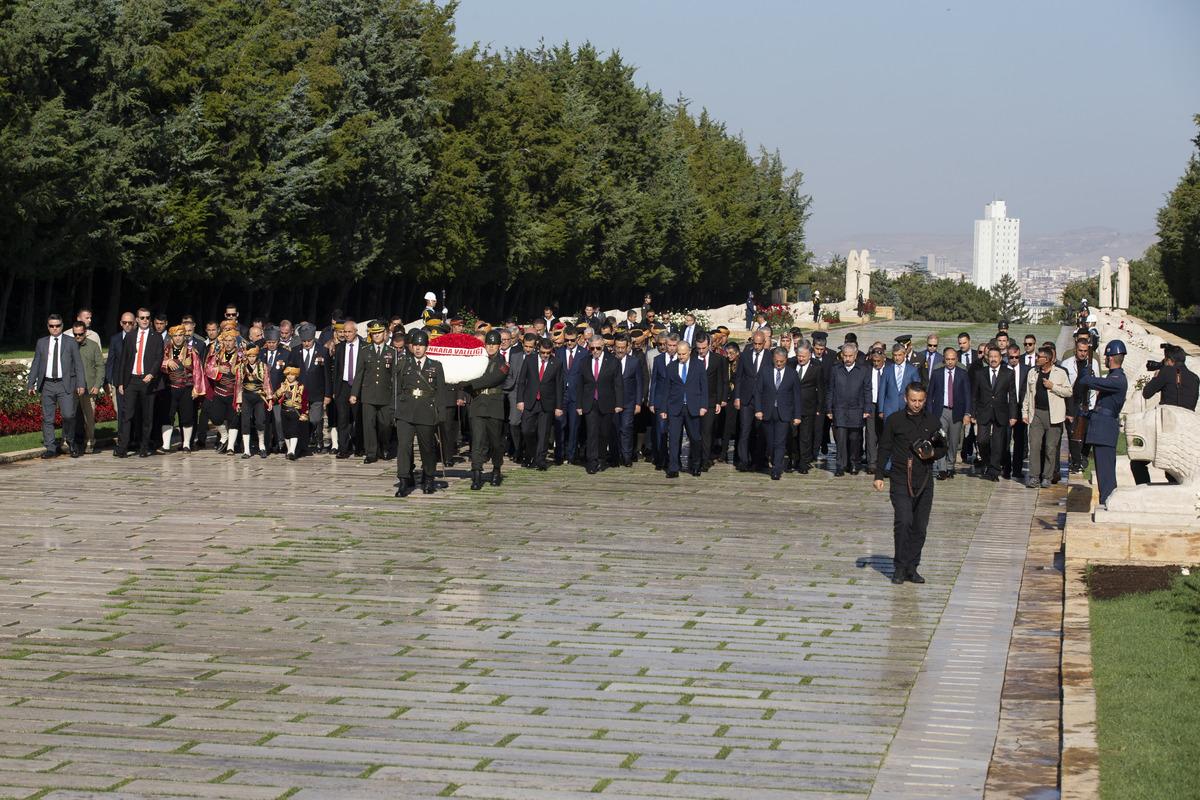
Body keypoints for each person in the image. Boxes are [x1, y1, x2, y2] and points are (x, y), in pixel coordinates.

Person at [875, 383, 946, 584]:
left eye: (921, 401)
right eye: (913, 400)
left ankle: (912, 567)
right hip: (899, 478)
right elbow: (884, 448)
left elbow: (943, 446)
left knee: (920, 527)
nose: (917, 404)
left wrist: (932, 452)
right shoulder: (894, 420)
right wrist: (879, 475)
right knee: (904, 521)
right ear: (906, 399)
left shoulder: (932, 421)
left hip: (924, 479)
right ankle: (899, 567)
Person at [1131, 346, 1198, 484]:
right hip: (1188, 430)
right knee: (1174, 473)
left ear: (1170, 360)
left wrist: (1157, 376)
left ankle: (1144, 488)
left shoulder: (1166, 372)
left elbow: (1146, 393)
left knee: (1137, 463)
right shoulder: (1194, 378)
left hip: (1167, 430)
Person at [392, 328, 446, 497]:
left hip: (426, 410)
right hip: (406, 410)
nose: (417, 348)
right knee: (404, 447)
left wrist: (441, 414)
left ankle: (429, 478)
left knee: (427, 447)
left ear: (426, 347)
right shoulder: (403, 364)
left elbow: (441, 392)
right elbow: (396, 388)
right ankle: (404, 480)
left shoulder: (435, 366)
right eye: (415, 345)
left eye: (421, 345)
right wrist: (394, 410)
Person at [27, 314, 85, 459]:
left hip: (65, 384)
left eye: (57, 325)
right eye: (51, 326)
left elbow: (78, 364)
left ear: (62, 326)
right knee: (48, 418)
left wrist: (80, 384)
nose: (54, 328)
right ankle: (51, 447)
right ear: (48, 327)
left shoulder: (71, 342)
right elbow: (36, 363)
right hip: (47, 384)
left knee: (68, 415)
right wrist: (31, 383)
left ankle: (71, 442)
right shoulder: (42, 342)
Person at [1082, 340, 1128, 507]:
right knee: (1103, 471)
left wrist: (1088, 376)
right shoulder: (1112, 376)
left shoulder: (1118, 379)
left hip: (1105, 430)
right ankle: (1106, 500)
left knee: (1106, 472)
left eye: (1107, 357)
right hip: (1101, 428)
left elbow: (1092, 382)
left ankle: (1108, 502)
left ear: (1111, 359)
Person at [114, 308, 164, 458]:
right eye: (142, 318)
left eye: (147, 318)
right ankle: (123, 447)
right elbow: (124, 360)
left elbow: (158, 358)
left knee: (147, 416)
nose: (145, 320)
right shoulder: (130, 337)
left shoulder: (156, 337)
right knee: (127, 414)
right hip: (131, 380)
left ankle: (144, 447)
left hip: (147, 381)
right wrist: (121, 382)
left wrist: (151, 374)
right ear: (137, 319)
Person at [1022, 346, 1072, 489]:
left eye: (1040, 357)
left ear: (1048, 359)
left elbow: (1069, 392)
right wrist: (1024, 413)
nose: (1037, 358)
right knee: (1035, 445)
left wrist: (1053, 386)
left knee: (1050, 447)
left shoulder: (1060, 373)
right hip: (1036, 413)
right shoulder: (1033, 372)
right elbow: (1028, 394)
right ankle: (1033, 476)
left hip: (1054, 415)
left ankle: (1047, 477)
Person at [658, 340, 707, 477]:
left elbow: (704, 387)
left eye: (683, 354)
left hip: (693, 407)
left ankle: (696, 465)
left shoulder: (698, 365)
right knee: (673, 438)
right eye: (679, 354)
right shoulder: (671, 367)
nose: (681, 357)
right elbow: (666, 390)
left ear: (690, 351)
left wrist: (703, 405)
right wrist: (663, 409)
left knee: (695, 438)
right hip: (675, 408)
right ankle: (673, 467)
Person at [970, 345, 1018, 481]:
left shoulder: (1008, 373)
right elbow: (974, 395)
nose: (993, 359)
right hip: (983, 411)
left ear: (1001, 358)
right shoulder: (980, 373)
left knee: (998, 443)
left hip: (1001, 412)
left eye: (996, 357)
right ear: (987, 358)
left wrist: (1013, 415)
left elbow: (1012, 396)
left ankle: (994, 470)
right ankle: (986, 461)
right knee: (982, 440)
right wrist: (972, 413)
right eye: (990, 357)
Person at [576, 334, 623, 474]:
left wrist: (619, 403)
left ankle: (602, 458)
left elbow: (618, 384)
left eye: (598, 348)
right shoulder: (584, 362)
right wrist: (579, 405)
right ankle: (592, 461)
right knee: (591, 432)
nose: (595, 351)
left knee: (603, 432)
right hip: (590, 402)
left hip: (607, 402)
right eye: (592, 348)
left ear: (603, 347)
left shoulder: (613, 362)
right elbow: (580, 385)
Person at [350, 321, 395, 464]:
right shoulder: (365, 351)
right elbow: (359, 374)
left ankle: (384, 447)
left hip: (385, 394)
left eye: (379, 333)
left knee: (385, 425)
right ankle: (371, 453)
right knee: (368, 425)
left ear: (385, 333)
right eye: (374, 333)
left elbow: (394, 376)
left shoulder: (392, 352)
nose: (376, 335)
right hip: (368, 394)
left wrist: (396, 395)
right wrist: (354, 393)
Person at [753, 347, 802, 480]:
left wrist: (797, 415)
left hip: (784, 413)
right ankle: (773, 459)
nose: (778, 364)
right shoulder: (765, 371)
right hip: (768, 412)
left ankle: (776, 469)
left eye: (781, 361)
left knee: (780, 442)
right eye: (776, 361)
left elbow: (797, 396)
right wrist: (758, 409)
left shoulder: (792, 374)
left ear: (786, 360)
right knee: (770, 442)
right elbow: (758, 391)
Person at [515, 337, 564, 470]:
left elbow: (559, 385)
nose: (545, 355)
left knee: (543, 433)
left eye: (548, 353)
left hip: (547, 403)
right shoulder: (529, 360)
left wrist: (559, 406)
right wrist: (520, 400)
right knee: (526, 430)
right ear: (538, 349)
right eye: (543, 352)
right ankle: (532, 453)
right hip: (530, 401)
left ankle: (540, 460)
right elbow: (521, 381)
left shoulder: (557, 363)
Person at [925, 347, 971, 480]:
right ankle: (942, 468)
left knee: (953, 441)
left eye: (953, 359)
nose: (950, 362)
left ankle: (950, 466)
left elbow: (967, 395)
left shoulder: (962, 374)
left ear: (956, 359)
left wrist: (967, 413)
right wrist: (930, 413)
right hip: (941, 411)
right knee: (940, 439)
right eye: (947, 359)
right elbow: (930, 395)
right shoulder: (937, 373)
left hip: (957, 411)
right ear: (944, 360)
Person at [826, 343, 872, 477]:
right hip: (839, 409)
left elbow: (867, 390)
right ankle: (840, 465)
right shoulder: (836, 369)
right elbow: (830, 390)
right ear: (841, 355)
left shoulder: (863, 370)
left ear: (856, 355)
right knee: (840, 439)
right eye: (845, 356)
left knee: (854, 439)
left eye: (850, 356)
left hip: (856, 410)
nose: (847, 358)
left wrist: (867, 408)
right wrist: (829, 408)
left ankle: (854, 463)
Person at [161, 324, 205, 453]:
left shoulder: (192, 351)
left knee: (187, 417)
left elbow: (198, 370)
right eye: (175, 336)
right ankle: (166, 445)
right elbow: (157, 363)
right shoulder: (165, 350)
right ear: (171, 337)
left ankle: (186, 444)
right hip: (170, 388)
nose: (178, 338)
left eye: (180, 335)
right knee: (168, 416)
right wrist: (167, 362)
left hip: (187, 387)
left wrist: (197, 388)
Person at [288, 323, 331, 454]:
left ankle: (317, 438)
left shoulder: (322, 351)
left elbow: (327, 374)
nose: (306, 343)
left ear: (314, 339)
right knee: (302, 419)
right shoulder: (295, 351)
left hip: (317, 391)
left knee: (315, 418)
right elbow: (291, 371)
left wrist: (328, 394)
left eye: (309, 341)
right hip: (300, 392)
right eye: (304, 341)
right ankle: (304, 443)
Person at [1060, 338, 1101, 474]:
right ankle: (1076, 461)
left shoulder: (1093, 363)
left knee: (1087, 433)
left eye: (1085, 351)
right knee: (1073, 434)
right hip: (1072, 402)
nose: (1083, 353)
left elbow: (1098, 384)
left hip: (1088, 403)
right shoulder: (1067, 363)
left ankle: (1082, 457)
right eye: (1080, 350)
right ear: (1075, 350)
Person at [694, 333, 728, 471]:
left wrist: (721, 400)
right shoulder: (691, 358)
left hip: (711, 400)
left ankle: (705, 459)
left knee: (707, 431)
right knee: (695, 431)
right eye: (698, 348)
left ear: (709, 345)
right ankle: (695, 457)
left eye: (703, 348)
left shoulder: (718, 359)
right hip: (694, 400)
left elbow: (722, 381)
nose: (701, 351)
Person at [788, 342, 823, 473]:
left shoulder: (816, 368)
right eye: (799, 356)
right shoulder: (791, 365)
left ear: (810, 355)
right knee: (792, 435)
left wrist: (820, 407)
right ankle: (793, 459)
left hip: (809, 407)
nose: (801, 359)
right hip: (792, 407)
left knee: (805, 436)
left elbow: (821, 389)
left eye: (803, 356)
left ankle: (804, 462)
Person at [71, 320, 104, 454]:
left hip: (89, 387)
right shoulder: (69, 345)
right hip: (72, 388)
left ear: (85, 332)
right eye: (75, 334)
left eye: (80, 334)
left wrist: (97, 385)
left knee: (89, 418)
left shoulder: (93, 346)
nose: (77, 337)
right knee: (69, 416)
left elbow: (100, 366)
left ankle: (90, 440)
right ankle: (68, 441)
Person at [332, 319, 363, 459]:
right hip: (343, 386)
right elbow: (336, 371)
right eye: (345, 331)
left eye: (350, 331)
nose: (347, 334)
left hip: (358, 385)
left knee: (358, 418)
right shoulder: (339, 348)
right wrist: (335, 390)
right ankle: (343, 449)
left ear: (356, 332)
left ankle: (359, 447)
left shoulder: (364, 346)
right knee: (342, 419)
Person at [613, 334, 645, 468]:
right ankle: (616, 456)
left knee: (626, 428)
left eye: (622, 348)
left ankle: (626, 456)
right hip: (613, 403)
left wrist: (638, 403)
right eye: (618, 347)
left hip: (629, 402)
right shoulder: (610, 361)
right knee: (614, 430)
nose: (620, 350)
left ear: (627, 347)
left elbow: (639, 383)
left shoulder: (634, 362)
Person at [238, 345, 272, 459]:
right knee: (245, 422)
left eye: (254, 356)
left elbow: (267, 383)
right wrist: (238, 401)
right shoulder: (242, 366)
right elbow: (238, 385)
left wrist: (270, 399)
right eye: (250, 356)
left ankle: (261, 446)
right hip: (246, 396)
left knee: (260, 421)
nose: (252, 358)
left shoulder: (263, 366)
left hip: (259, 397)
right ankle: (247, 450)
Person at [274, 366, 308, 460]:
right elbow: (274, 398)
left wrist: (304, 413)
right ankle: (289, 450)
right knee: (286, 432)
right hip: (284, 411)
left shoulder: (301, 386)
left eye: (292, 375)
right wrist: (281, 391)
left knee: (294, 431)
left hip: (295, 412)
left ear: (296, 375)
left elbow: (305, 401)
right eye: (288, 374)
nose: (290, 377)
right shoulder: (282, 385)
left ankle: (292, 451)